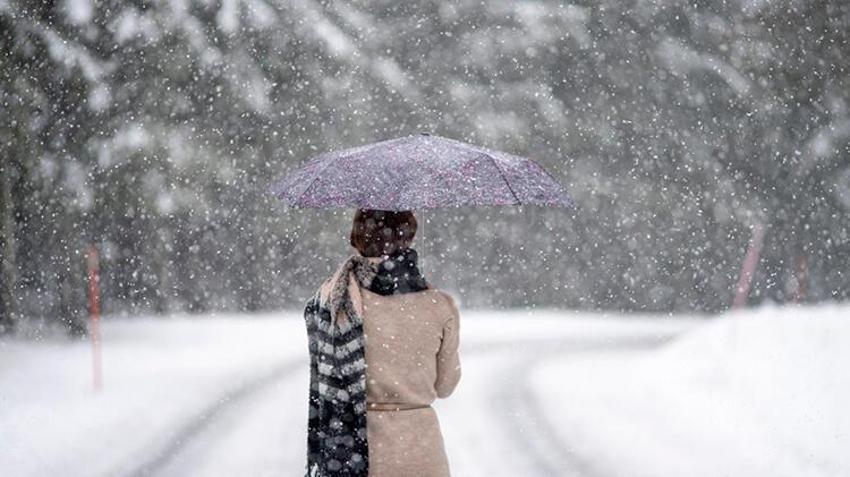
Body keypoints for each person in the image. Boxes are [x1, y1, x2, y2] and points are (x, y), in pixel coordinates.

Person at [303, 208, 461, 477]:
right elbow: (445, 386)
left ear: (357, 238)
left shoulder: (335, 299)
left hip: (356, 453)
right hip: (422, 453)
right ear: (409, 237)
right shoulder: (439, 306)